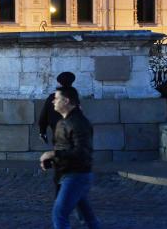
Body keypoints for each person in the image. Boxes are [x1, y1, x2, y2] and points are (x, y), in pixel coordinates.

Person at [40, 87, 100, 229]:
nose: (53, 101)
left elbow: (81, 152)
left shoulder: (79, 123)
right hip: (67, 173)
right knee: (87, 217)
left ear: (66, 101)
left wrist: (54, 154)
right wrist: (52, 160)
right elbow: (64, 148)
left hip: (76, 175)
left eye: (56, 98)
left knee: (59, 214)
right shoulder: (63, 122)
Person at [39, 72, 76, 144]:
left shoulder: (52, 97)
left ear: (59, 82)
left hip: (59, 134)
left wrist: (42, 132)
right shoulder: (74, 96)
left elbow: (43, 116)